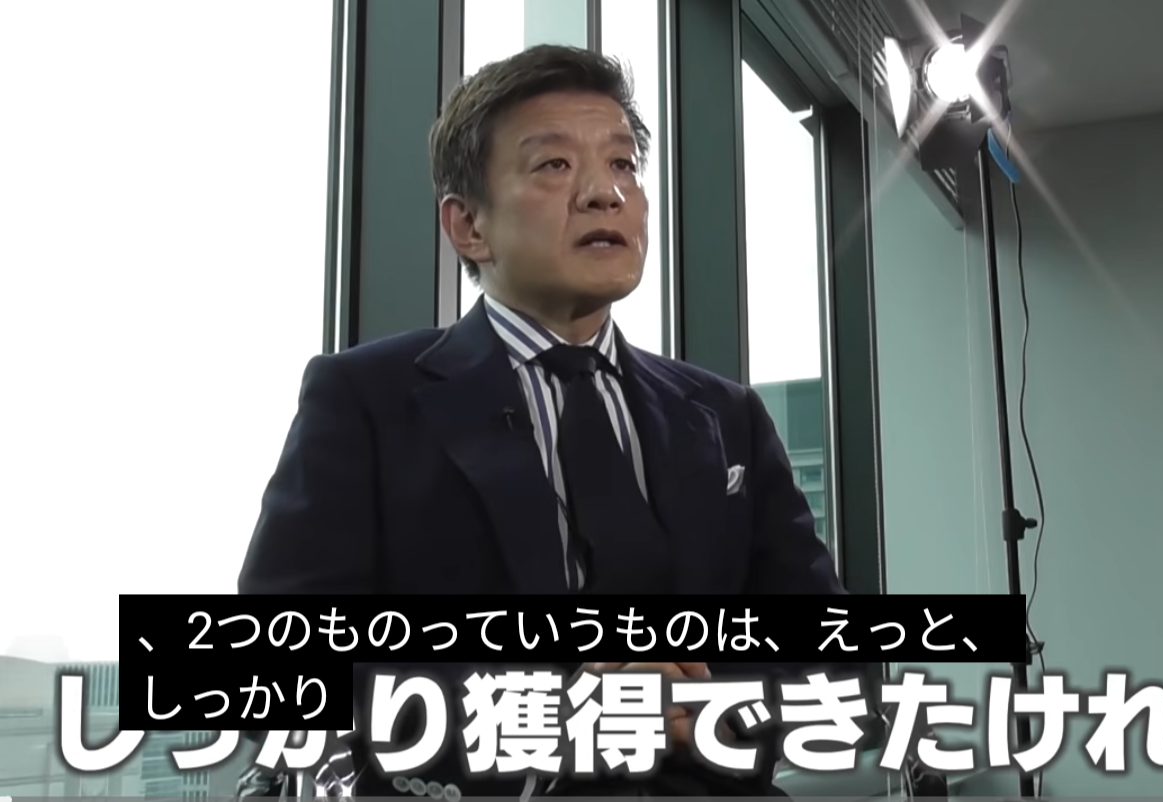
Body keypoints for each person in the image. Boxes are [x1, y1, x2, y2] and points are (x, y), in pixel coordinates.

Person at [238, 44, 846, 797]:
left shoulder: (726, 415)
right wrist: (545, 713)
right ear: (469, 226)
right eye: (555, 165)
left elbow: (828, 657)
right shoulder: (366, 398)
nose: (605, 194)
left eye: (623, 165)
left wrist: (715, 707)